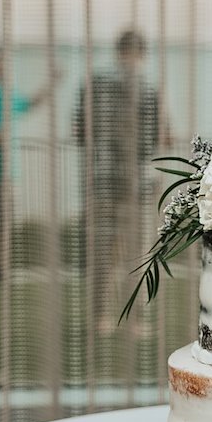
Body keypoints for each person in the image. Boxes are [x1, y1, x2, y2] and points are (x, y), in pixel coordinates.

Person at [72, 29, 167, 330]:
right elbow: (155, 139)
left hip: (104, 180)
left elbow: (79, 132)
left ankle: (103, 317)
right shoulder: (146, 91)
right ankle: (132, 320)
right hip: (129, 183)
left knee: (105, 253)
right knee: (133, 255)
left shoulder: (95, 86)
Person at [0, 47, 57, 387]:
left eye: (1, 64)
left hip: (5, 175)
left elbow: (29, 104)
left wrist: (52, 83)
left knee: (2, 225)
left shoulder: (3, 95)